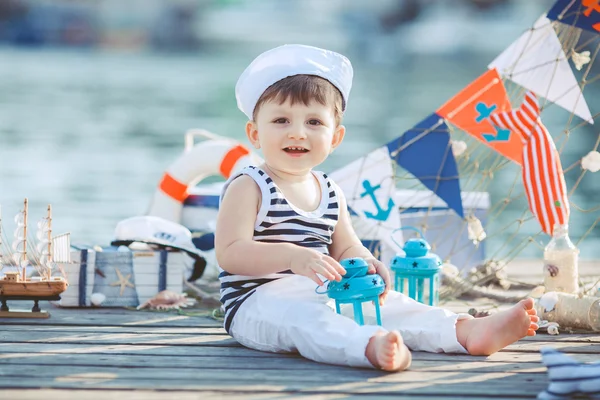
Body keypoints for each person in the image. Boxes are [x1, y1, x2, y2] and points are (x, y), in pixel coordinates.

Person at [215, 44, 539, 371]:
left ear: (336, 137)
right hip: (256, 303)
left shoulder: (329, 190)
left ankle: (465, 331)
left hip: (325, 291)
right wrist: (291, 257)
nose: (298, 132)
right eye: (281, 120)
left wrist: (367, 262)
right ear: (254, 133)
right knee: (309, 320)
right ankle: (369, 346)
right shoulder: (249, 185)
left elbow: (346, 246)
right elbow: (230, 252)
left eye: (314, 122)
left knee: (395, 306)